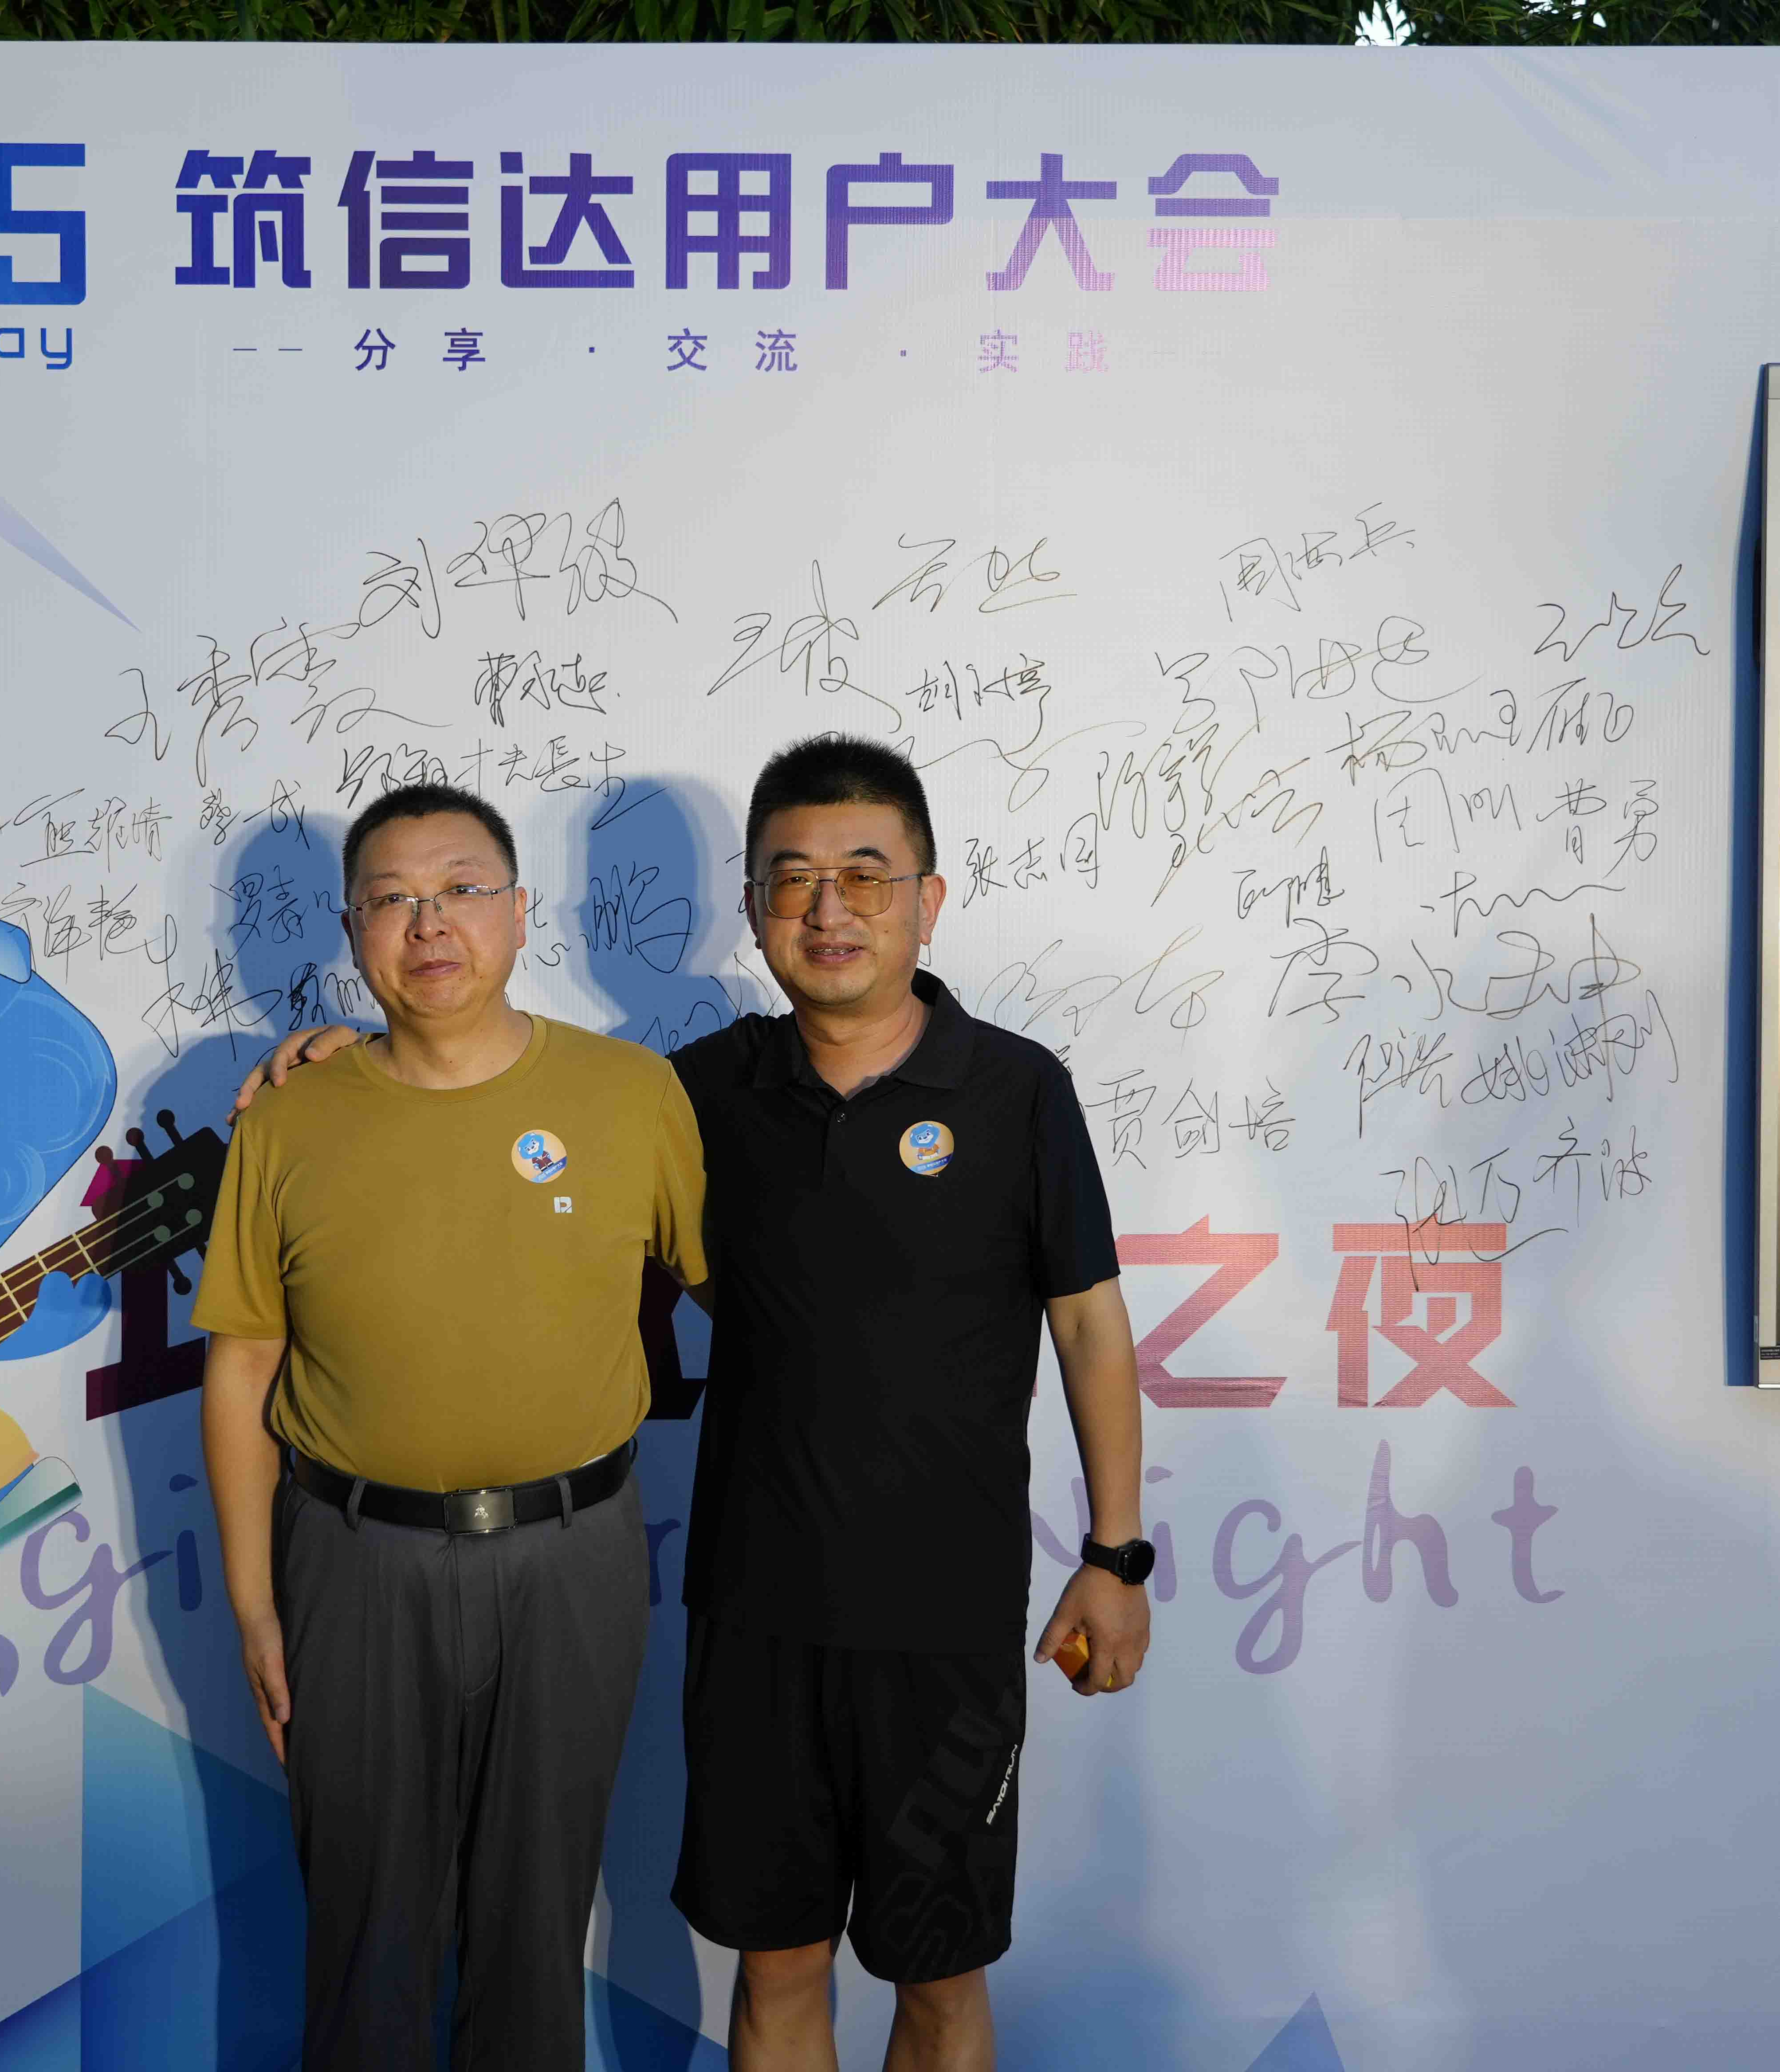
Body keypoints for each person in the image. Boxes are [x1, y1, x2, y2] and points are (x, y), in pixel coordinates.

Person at [243, 736, 1153, 2072]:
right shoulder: (696, 1092)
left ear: (929, 899)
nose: (828, 911)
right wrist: (359, 1050)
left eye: (864, 876)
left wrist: (1117, 1555)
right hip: (753, 1605)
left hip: (947, 1615)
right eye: (793, 880)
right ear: (752, 907)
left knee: (940, 1977)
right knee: (773, 1967)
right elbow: (486, 1106)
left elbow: (1088, 1324)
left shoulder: (1019, 1091)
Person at [193, 782, 710, 2072]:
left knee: (537, 1934)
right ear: (353, 930)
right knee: (364, 1939)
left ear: (522, 913)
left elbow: (744, 1297)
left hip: (576, 1559)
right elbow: (242, 1363)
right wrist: (257, 1606)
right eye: (394, 900)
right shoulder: (289, 1117)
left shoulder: (631, 1093)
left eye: (464, 891)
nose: (431, 925)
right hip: (351, 1563)